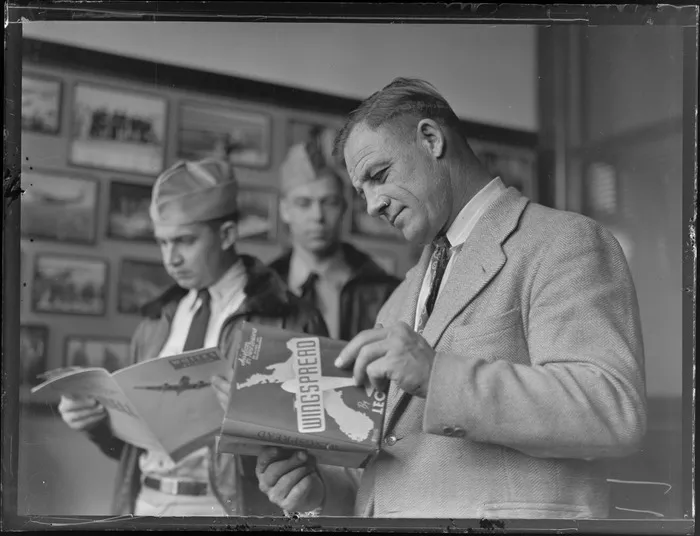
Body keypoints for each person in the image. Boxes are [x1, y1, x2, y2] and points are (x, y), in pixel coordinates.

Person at [253, 78, 647, 518]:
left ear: (431, 139)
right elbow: (399, 470)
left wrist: (436, 374)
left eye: (378, 176)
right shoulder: (399, 298)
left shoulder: (563, 241)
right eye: (360, 191)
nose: (371, 206)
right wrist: (322, 491)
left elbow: (612, 409)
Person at [57, 158, 328, 517]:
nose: (171, 259)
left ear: (228, 234)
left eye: (184, 241)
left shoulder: (291, 319)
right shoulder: (156, 322)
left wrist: (253, 408)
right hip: (145, 504)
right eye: (163, 243)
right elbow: (132, 447)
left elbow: (321, 443)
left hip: (231, 511)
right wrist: (96, 424)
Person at [270, 135, 401, 341]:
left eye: (329, 202)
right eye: (303, 203)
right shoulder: (263, 288)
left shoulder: (384, 290)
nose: (317, 216)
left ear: (343, 208)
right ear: (284, 210)